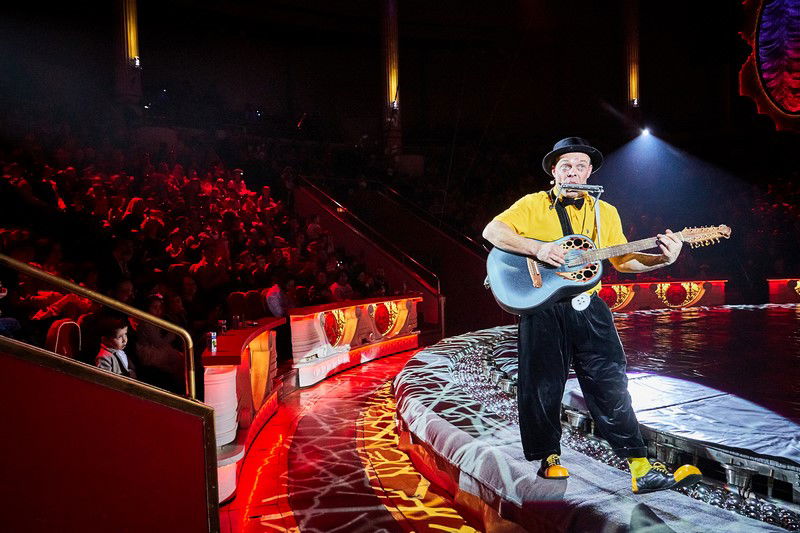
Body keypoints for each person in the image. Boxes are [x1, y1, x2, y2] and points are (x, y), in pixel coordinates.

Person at [482, 137, 702, 494]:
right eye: (566, 165)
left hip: (589, 305)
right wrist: (538, 248)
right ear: (554, 171)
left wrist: (663, 258)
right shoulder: (533, 204)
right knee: (542, 384)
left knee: (611, 382)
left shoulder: (605, 212)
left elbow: (623, 260)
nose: (574, 171)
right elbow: (493, 231)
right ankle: (549, 457)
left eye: (581, 165)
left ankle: (640, 467)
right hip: (543, 306)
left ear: (589, 173)